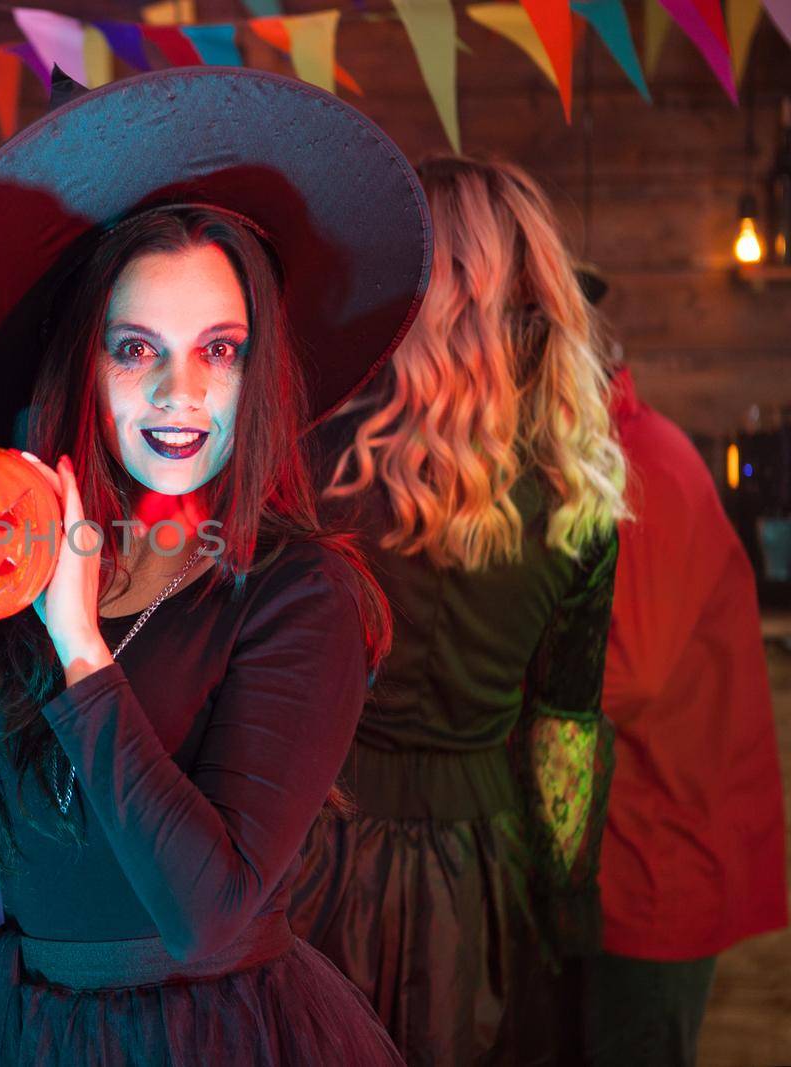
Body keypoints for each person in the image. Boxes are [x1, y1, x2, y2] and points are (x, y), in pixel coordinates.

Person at [0, 68, 432, 1063]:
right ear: (86, 364)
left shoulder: (297, 593)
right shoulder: (10, 563)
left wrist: (78, 645)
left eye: (218, 350)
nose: (178, 391)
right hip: (26, 1028)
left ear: (257, 369)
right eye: (136, 348)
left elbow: (210, 912)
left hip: (215, 1034)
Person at [288, 155, 628, 1066]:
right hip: (483, 872)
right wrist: (567, 902)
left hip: (317, 848)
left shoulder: (318, 465)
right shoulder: (578, 498)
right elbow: (565, 726)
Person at [585, 334, 787, 1065]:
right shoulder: (613, 455)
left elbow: (629, 670)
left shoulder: (641, 464)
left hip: (657, 867)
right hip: (638, 851)